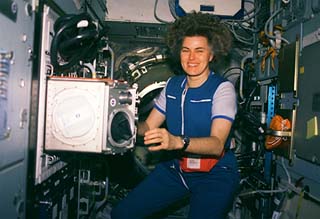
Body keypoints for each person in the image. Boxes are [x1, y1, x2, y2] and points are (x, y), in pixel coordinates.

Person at [111, 11, 239, 219]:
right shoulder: (172, 86)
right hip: (179, 168)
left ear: (211, 55)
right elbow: (150, 126)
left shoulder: (222, 89)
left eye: (199, 51)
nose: (191, 58)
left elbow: (217, 144)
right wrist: (127, 126)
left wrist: (176, 142)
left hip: (215, 173)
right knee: (122, 214)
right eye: (185, 50)